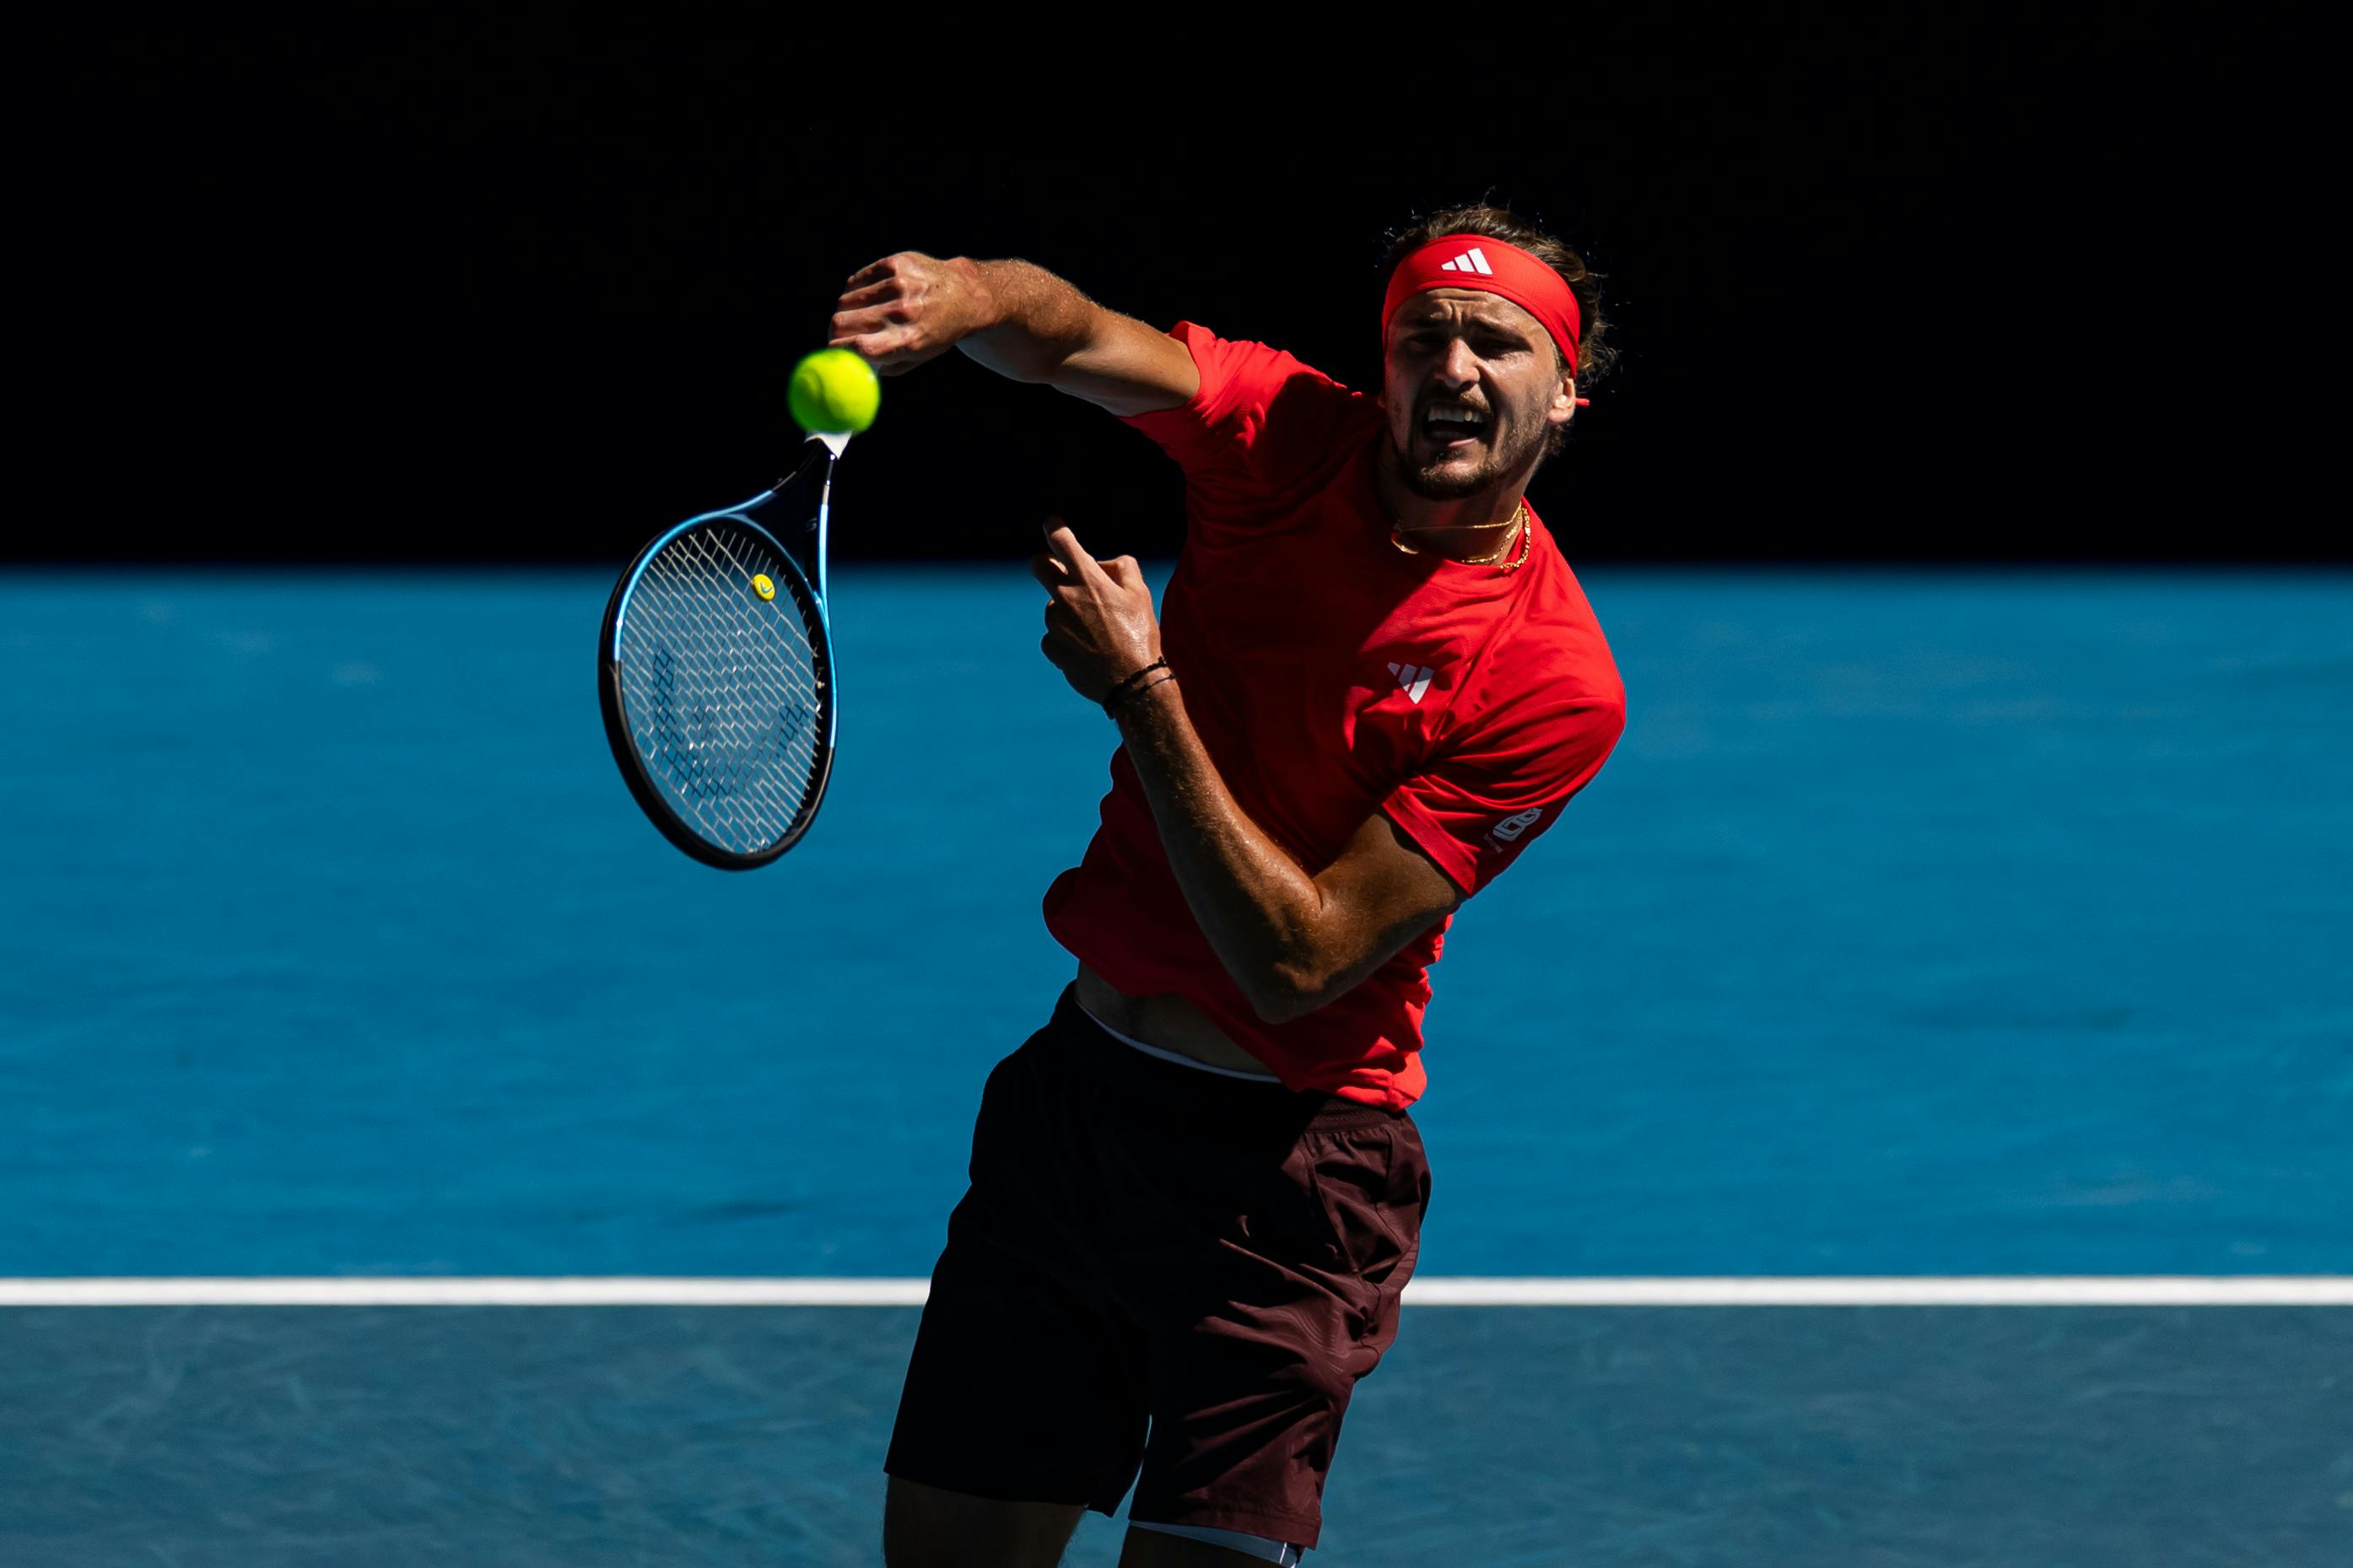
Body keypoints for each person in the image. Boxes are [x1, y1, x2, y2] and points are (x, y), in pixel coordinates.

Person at [836, 204, 1627, 1567]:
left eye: (1494, 344)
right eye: (1420, 337)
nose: (1451, 369)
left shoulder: (1550, 680)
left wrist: (1141, 692)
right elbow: (1074, 334)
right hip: (1075, 1116)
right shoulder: (1284, 435)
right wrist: (970, 290)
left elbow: (1300, 961)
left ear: (1563, 391)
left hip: (1290, 1175)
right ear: (1379, 368)